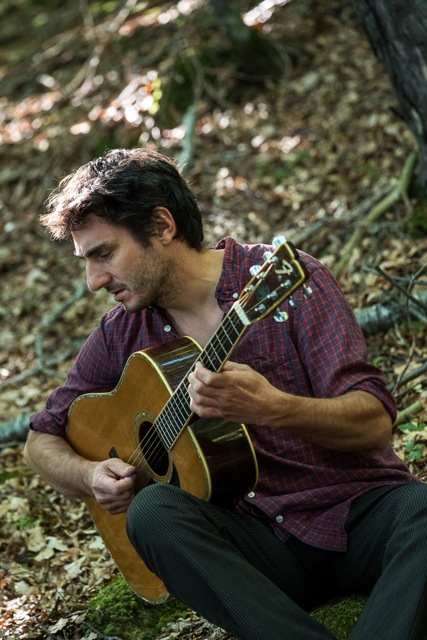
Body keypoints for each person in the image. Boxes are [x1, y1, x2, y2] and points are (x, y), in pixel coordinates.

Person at [24, 147, 427, 640]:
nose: (93, 281)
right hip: (256, 553)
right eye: (87, 261)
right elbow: (40, 441)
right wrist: (89, 475)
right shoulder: (121, 333)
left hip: (356, 515)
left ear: (161, 226)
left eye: (104, 254)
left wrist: (273, 408)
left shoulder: (286, 283)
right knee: (151, 513)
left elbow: (374, 423)